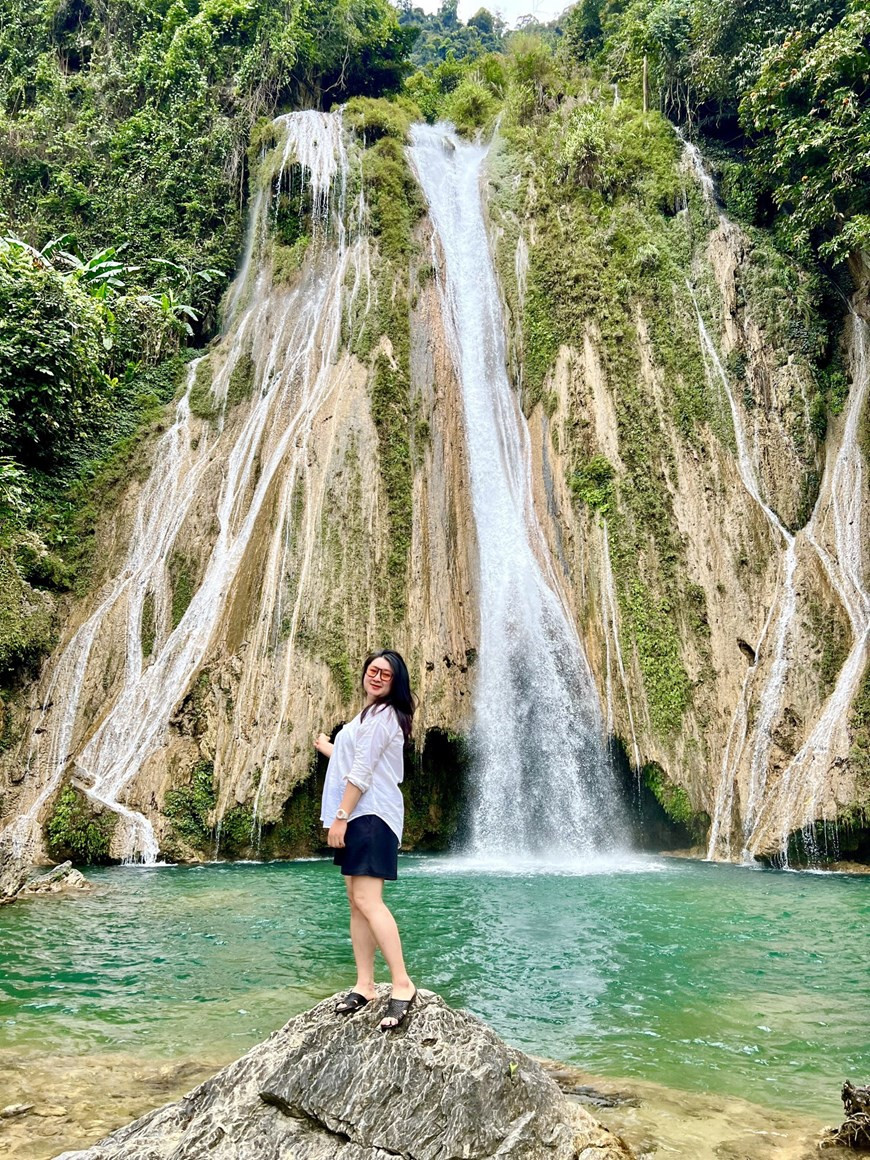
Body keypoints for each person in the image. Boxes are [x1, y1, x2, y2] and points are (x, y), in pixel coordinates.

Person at [316, 649, 417, 1031]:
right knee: (355, 903)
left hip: (370, 816)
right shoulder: (366, 717)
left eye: (385, 675)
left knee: (367, 900)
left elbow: (362, 770)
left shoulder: (383, 715)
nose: (376, 677)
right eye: (373, 671)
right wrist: (329, 747)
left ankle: (402, 984)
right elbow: (354, 757)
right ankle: (366, 984)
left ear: (395, 684)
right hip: (361, 815)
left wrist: (340, 818)